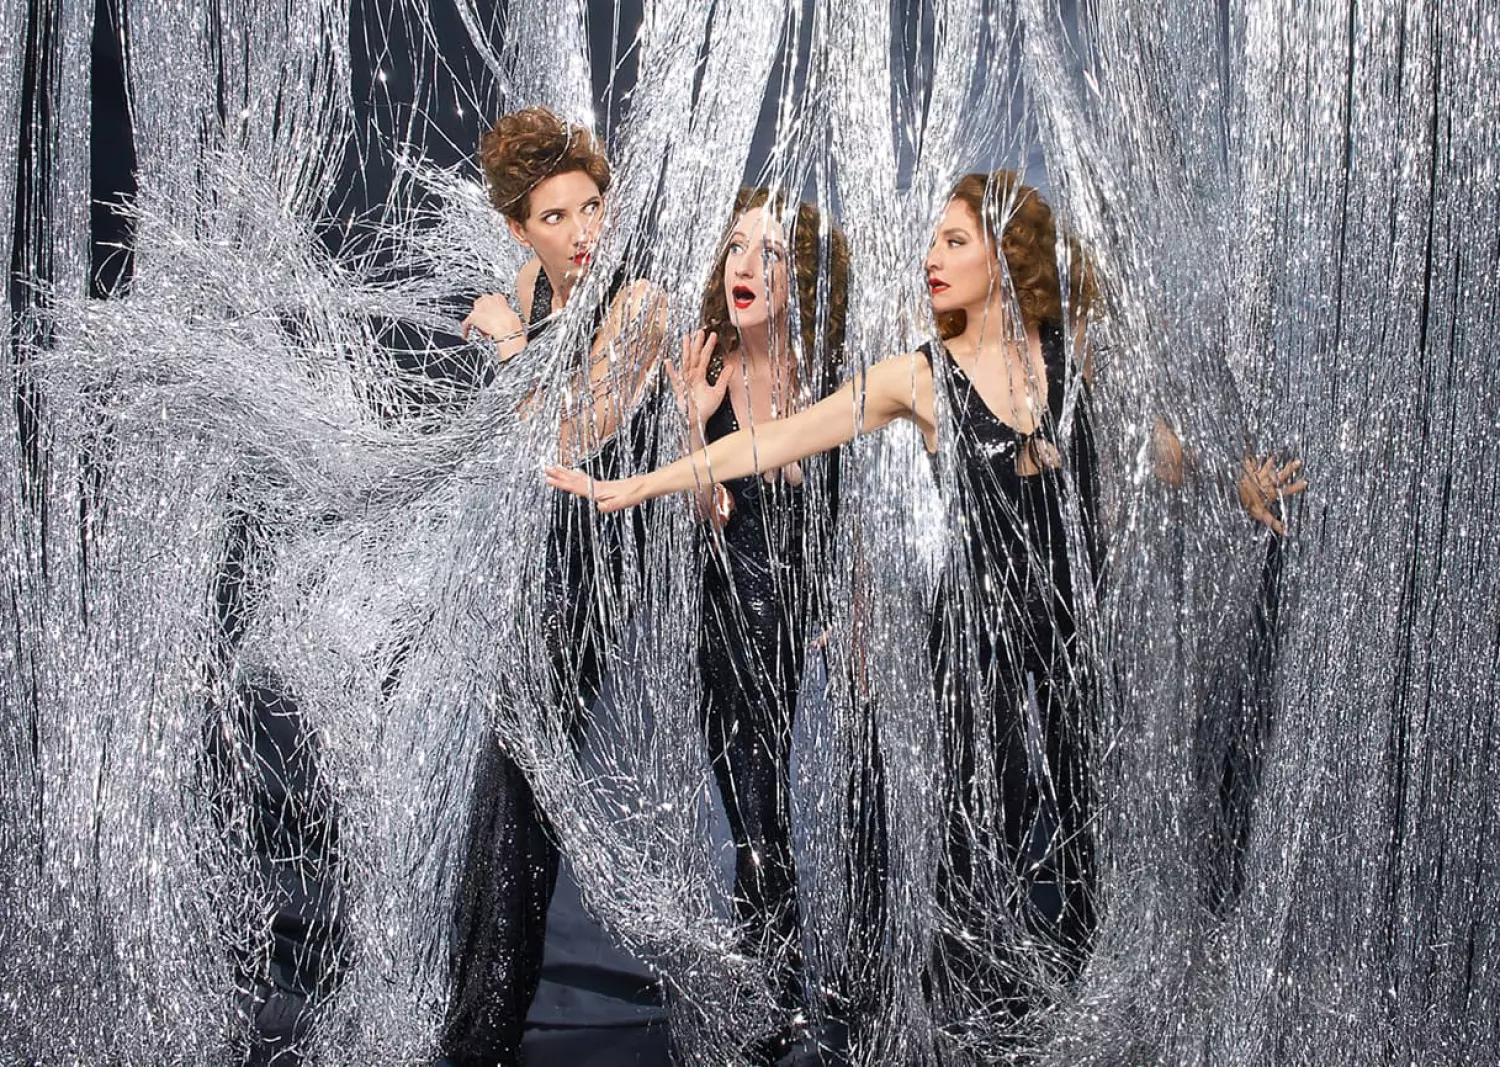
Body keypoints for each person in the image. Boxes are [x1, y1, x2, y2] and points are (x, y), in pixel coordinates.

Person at [546, 169, 1304, 1041]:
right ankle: (967, 1025)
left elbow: (1154, 448)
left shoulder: (1075, 350)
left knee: (1082, 845)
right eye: (932, 242)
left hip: (1068, 637)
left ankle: (1058, 1021)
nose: (931, 259)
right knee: (976, 839)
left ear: (1006, 254)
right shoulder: (920, 378)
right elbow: (773, 441)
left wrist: (1228, 478)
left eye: (954, 242)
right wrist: (638, 481)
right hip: (970, 645)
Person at [440, 105, 664, 1067]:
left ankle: (484, 1029)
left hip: (597, 567)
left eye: (590, 209)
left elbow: (578, 431)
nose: (580, 234)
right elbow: (515, 437)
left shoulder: (640, 299)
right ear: (520, 228)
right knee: (498, 789)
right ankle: (473, 1014)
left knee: (527, 788)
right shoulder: (533, 282)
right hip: (529, 557)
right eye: (555, 217)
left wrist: (504, 347)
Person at [665, 187, 850, 1062]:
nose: (747, 266)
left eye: (770, 254)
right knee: (745, 808)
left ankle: (779, 996)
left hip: (788, 623)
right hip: (721, 614)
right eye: (738, 248)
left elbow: (835, 515)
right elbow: (711, 513)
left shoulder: (825, 381)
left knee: (767, 804)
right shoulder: (714, 372)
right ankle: (773, 991)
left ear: (801, 278)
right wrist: (693, 429)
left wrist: (827, 610)